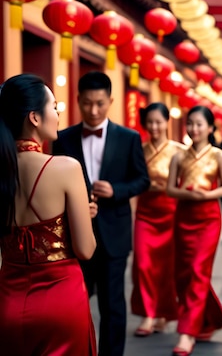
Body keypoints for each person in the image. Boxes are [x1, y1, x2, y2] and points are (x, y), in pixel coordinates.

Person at [52, 71, 150, 356]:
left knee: (113, 306)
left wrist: (117, 190)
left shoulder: (129, 137)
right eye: (87, 104)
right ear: (78, 100)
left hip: (114, 233)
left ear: (111, 101)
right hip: (75, 234)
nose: (93, 111)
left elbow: (142, 180)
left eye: (100, 104)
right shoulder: (63, 139)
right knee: (75, 303)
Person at [0, 74, 97, 354]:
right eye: (54, 106)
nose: (57, 113)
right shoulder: (66, 167)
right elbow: (85, 249)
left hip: (8, 301)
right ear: (34, 117)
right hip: (61, 301)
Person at [166, 105, 222, 355]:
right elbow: (170, 189)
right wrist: (186, 194)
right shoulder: (178, 156)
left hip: (208, 219)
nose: (194, 128)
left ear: (211, 128)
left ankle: (187, 333)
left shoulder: (219, 156)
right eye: (190, 124)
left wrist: (206, 195)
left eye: (199, 124)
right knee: (183, 274)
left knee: (197, 271)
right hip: (183, 217)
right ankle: (210, 318)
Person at [131, 102, 185, 337]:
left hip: (172, 214)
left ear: (167, 122)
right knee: (143, 265)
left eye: (158, 121)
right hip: (145, 214)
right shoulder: (138, 150)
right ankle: (148, 313)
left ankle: (163, 312)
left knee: (167, 268)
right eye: (150, 122)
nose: (154, 126)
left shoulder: (179, 151)